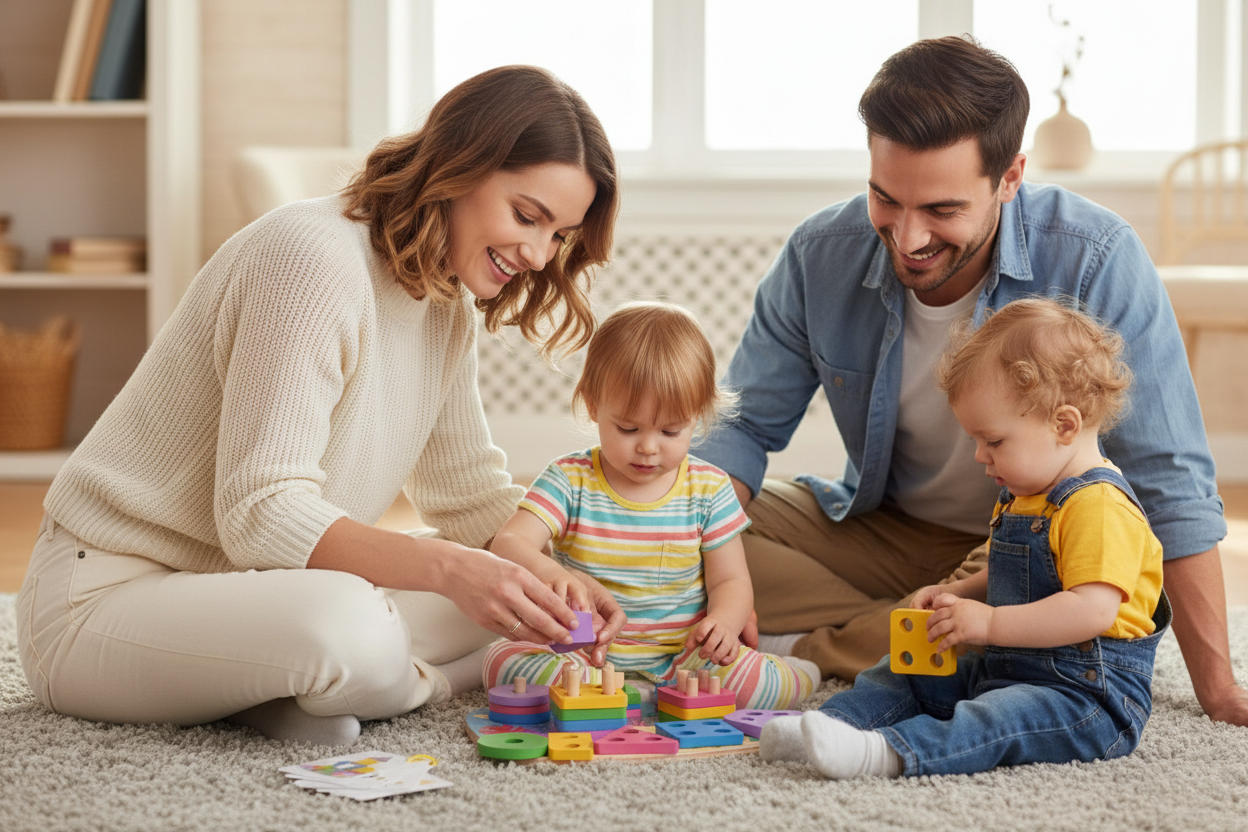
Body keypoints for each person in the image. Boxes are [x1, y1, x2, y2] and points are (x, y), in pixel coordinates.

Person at [15, 65, 626, 746]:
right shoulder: (310, 259)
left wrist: (548, 575)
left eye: (560, 235)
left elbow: (466, 492)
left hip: (252, 595)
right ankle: (426, 678)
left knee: (515, 601)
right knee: (357, 624)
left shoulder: (443, 299)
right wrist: (456, 570)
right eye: (528, 216)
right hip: (102, 600)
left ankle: (286, 688)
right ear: (461, 168)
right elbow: (258, 513)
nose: (541, 255)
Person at [694, 35, 1248, 727]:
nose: (907, 237)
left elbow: (1169, 481)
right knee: (681, 526)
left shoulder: (1096, 257)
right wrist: (681, 530)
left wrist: (1219, 687)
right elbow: (743, 425)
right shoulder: (820, 254)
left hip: (1028, 543)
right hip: (882, 527)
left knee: (1052, 592)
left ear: (1010, 177)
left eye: (943, 211)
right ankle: (907, 631)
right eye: (886, 199)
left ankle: (823, 644)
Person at [760, 297, 1169, 778]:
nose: (979, 456)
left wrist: (991, 625)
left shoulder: (1098, 505)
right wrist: (959, 592)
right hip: (1010, 669)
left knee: (994, 720)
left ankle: (885, 754)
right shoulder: (1028, 493)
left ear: (1064, 425)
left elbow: (1090, 609)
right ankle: (833, 724)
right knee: (906, 672)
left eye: (993, 441)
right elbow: (1021, 566)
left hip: (1086, 696)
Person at [484, 301, 819, 708]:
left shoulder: (709, 489)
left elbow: (730, 581)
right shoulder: (569, 479)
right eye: (628, 427)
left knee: (756, 682)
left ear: (698, 417)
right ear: (592, 404)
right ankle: (615, 693)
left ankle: (801, 672)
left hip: (685, 663)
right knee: (504, 662)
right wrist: (551, 571)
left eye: (670, 430)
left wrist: (722, 625)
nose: (647, 447)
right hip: (585, 657)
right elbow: (508, 542)